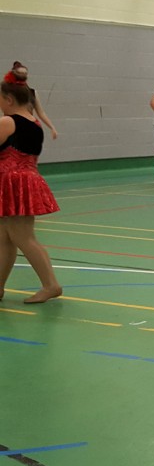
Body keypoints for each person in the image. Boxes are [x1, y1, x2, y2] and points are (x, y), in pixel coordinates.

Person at [0, 75, 62, 304]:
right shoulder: (35, 123)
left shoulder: (8, 122)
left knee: (22, 236)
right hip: (24, 180)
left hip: (13, 182)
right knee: (4, 237)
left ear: (8, 99)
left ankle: (51, 284)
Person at [4, 62, 58, 140]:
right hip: (12, 128)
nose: (22, 76)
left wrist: (52, 127)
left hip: (27, 129)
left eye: (25, 73)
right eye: (20, 73)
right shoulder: (7, 92)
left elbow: (41, 113)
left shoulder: (32, 93)